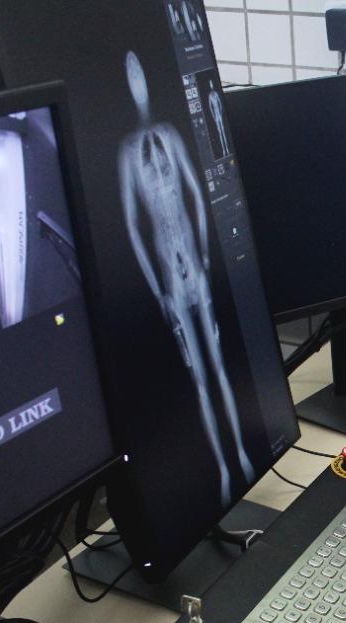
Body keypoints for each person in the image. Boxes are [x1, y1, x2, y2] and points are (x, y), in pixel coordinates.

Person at [117, 51, 255, 508]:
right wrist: (158, 290)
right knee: (199, 380)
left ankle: (240, 453)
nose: (137, 80)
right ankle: (223, 471)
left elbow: (197, 194)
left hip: (195, 264)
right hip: (170, 272)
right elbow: (133, 228)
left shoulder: (170, 135)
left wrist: (207, 257)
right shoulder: (127, 153)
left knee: (217, 368)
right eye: (130, 74)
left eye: (140, 72)